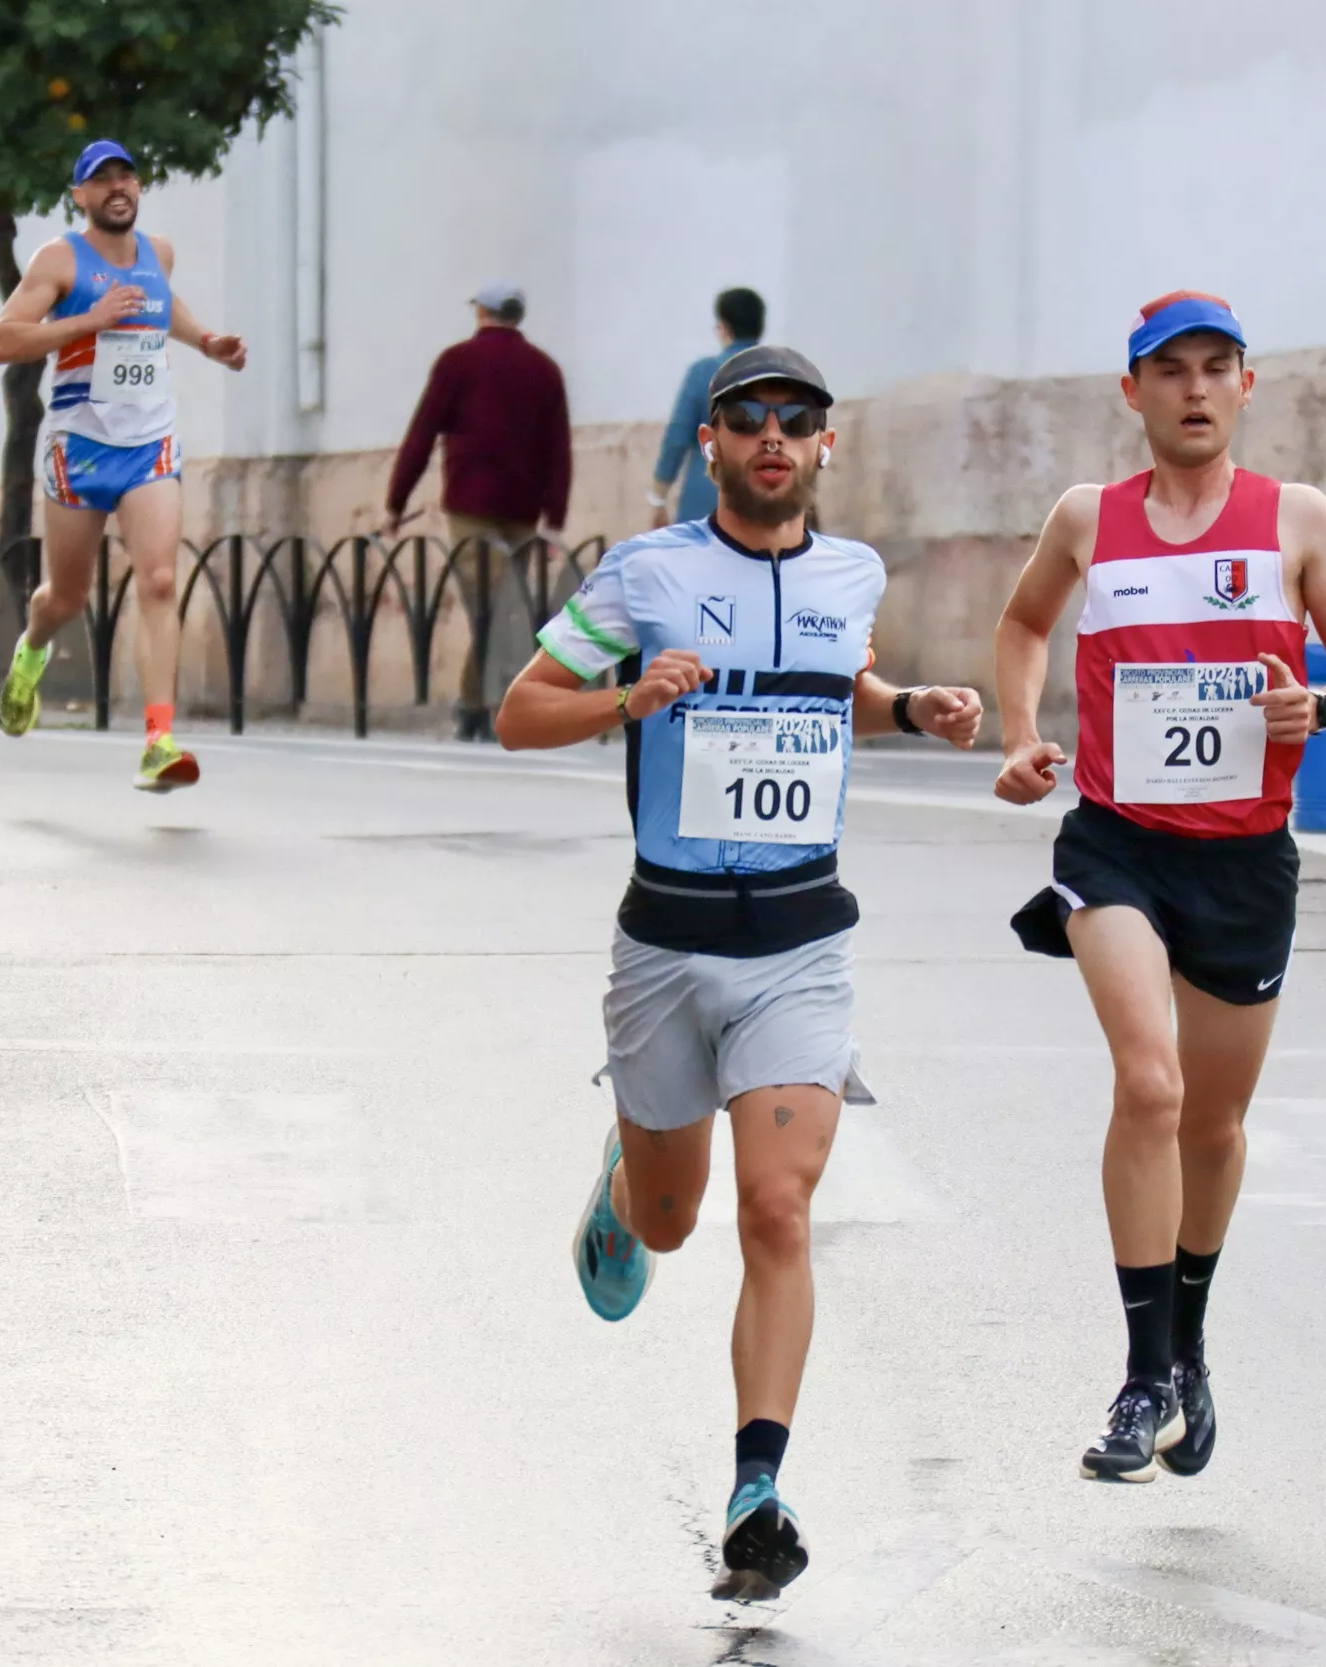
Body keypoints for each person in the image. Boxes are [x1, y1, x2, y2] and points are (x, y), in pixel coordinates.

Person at [494, 345, 983, 1600]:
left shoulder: (851, 571)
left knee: (778, 1208)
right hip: (666, 943)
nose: (774, 435)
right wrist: (627, 699)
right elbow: (519, 707)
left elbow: (833, 688)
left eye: (797, 419)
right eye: (747, 418)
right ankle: (626, 1179)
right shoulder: (647, 572)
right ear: (708, 443)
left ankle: (757, 1485)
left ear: (828, 444)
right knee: (673, 1219)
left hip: (800, 944)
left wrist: (909, 703)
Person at [991, 292, 1326, 1482]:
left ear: (1247, 386)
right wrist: (1021, 733)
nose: (1197, 389)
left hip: (1243, 858)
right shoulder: (1086, 519)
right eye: (1171, 372)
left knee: (1213, 1120)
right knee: (1150, 1083)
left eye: (1219, 368)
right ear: (1133, 392)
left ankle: (1186, 1346)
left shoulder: (1296, 519)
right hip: (1117, 844)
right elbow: (1022, 625)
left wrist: (1317, 705)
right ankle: (1135, 1374)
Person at [0, 139, 247, 791]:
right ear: (80, 196)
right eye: (101, 179)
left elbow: (164, 304)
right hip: (79, 447)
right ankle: (31, 650)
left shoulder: (158, 253)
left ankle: (159, 740)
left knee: (159, 580)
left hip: (150, 444)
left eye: (125, 175)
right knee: (66, 597)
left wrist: (206, 341)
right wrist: (87, 321)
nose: (117, 186)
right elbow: (3, 340)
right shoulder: (59, 259)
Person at [382, 282, 573, 733]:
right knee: (504, 606)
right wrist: (556, 517)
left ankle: (481, 705)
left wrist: (395, 502)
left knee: (486, 604)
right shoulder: (545, 369)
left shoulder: (457, 362)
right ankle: (477, 703)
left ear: (482, 312)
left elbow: (422, 434)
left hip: (471, 503)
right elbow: (559, 448)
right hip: (525, 508)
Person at [648, 287, 765, 529]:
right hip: (767, 496)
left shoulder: (704, 373)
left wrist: (658, 498)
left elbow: (677, 439)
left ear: (724, 327)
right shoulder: (781, 373)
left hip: (707, 497)